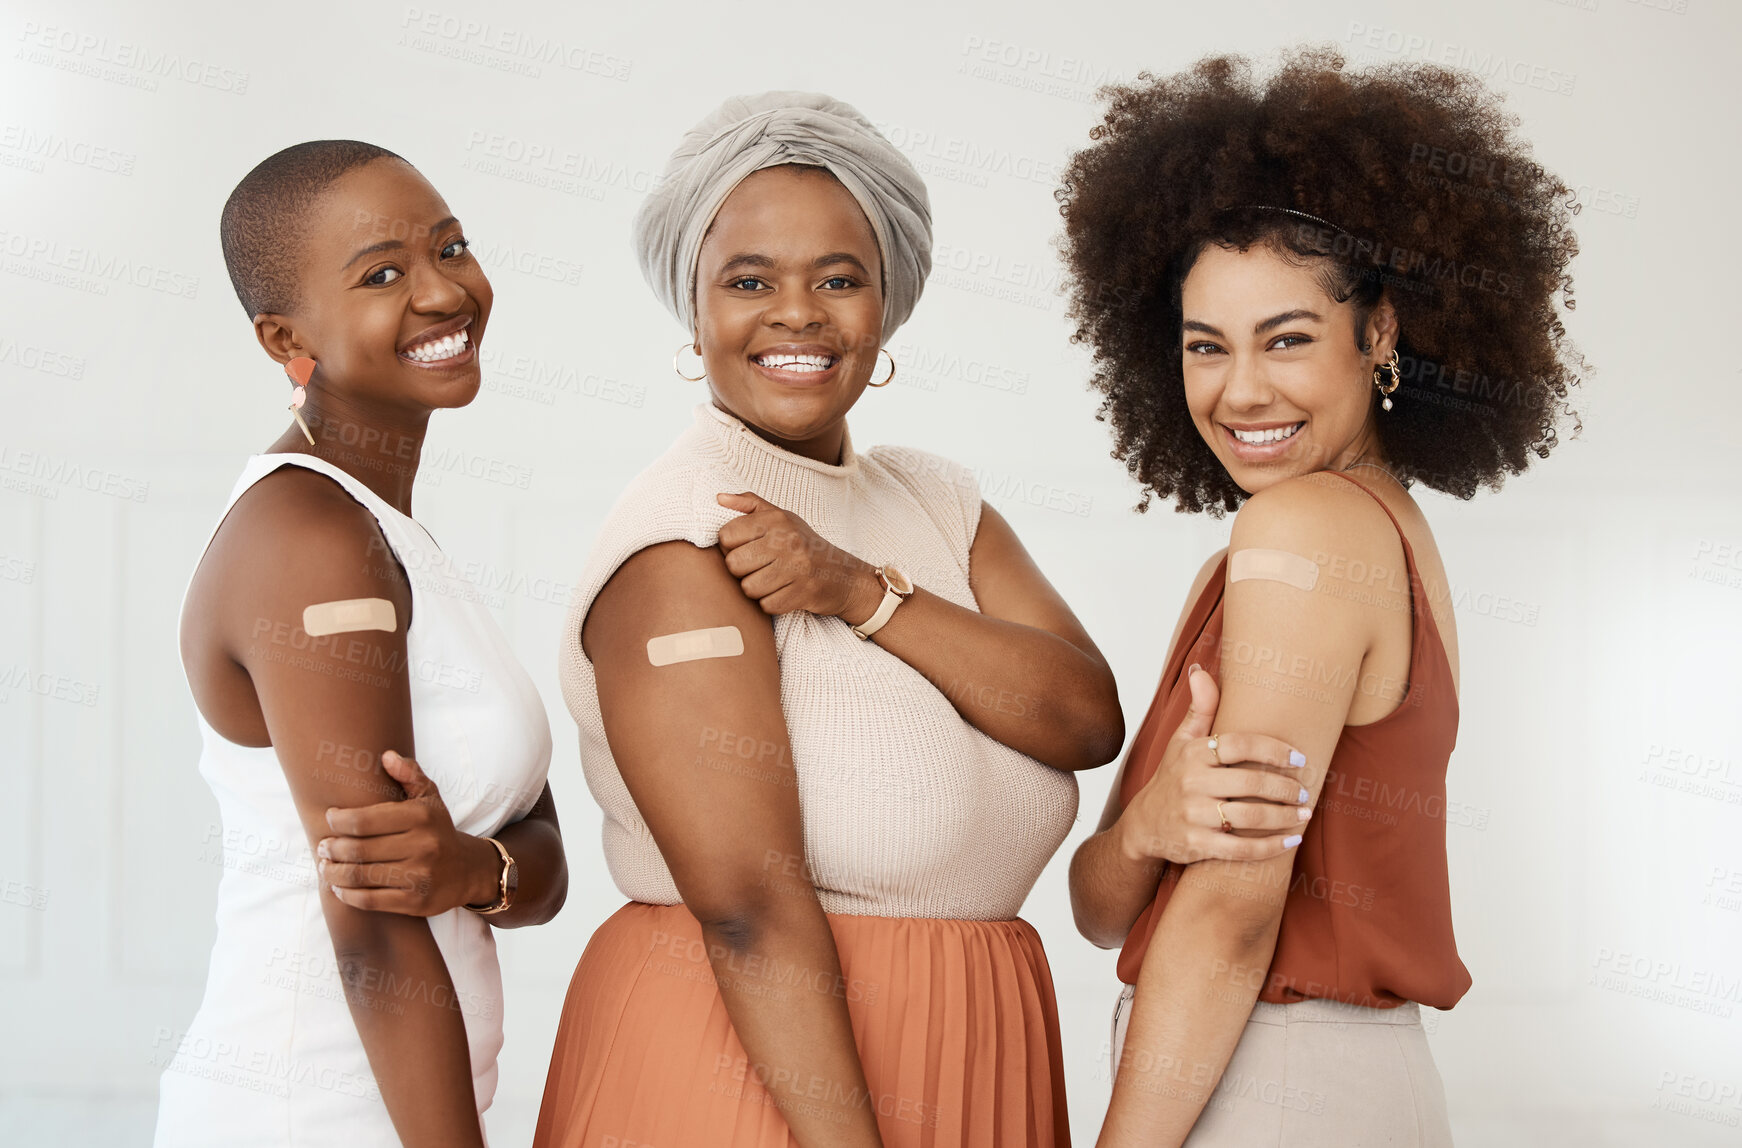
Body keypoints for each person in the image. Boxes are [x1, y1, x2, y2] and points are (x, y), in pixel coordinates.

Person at [534, 91, 1117, 1148]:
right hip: (763, 1083)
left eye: (836, 279)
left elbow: (1082, 716)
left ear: (883, 302)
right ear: (693, 307)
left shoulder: (934, 500)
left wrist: (860, 591)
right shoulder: (683, 538)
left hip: (970, 1053)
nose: (796, 313)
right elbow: (746, 908)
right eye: (748, 281)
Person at [1057, 49, 1583, 1146]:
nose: (1239, 390)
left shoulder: (1308, 527)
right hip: (1266, 1071)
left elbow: (1233, 909)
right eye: (1206, 347)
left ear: (1378, 332)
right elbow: (1101, 904)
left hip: (1267, 1077)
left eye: (1285, 338)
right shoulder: (1301, 543)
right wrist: (1152, 819)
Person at [155, 141, 565, 1147]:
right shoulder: (310, 540)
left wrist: (473, 867)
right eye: (382, 273)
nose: (442, 291)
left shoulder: (386, 530)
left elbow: (537, 859)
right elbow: (373, 920)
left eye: (450, 247)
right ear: (284, 336)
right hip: (307, 1109)